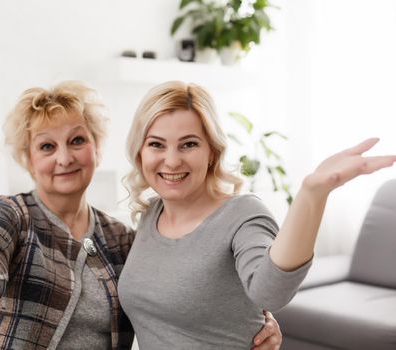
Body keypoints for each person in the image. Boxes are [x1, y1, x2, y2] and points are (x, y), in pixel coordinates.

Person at [0, 81, 282, 349]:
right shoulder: (10, 214)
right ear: (28, 160)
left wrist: (253, 323)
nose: (64, 158)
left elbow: (173, 294)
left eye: (77, 140)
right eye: (46, 147)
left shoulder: (122, 238)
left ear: (98, 149)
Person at [118, 80, 396, 350]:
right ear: (140, 152)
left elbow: (270, 292)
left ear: (212, 152)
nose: (172, 160)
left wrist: (311, 194)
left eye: (188, 144)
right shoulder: (150, 215)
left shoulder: (242, 214)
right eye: (156, 144)